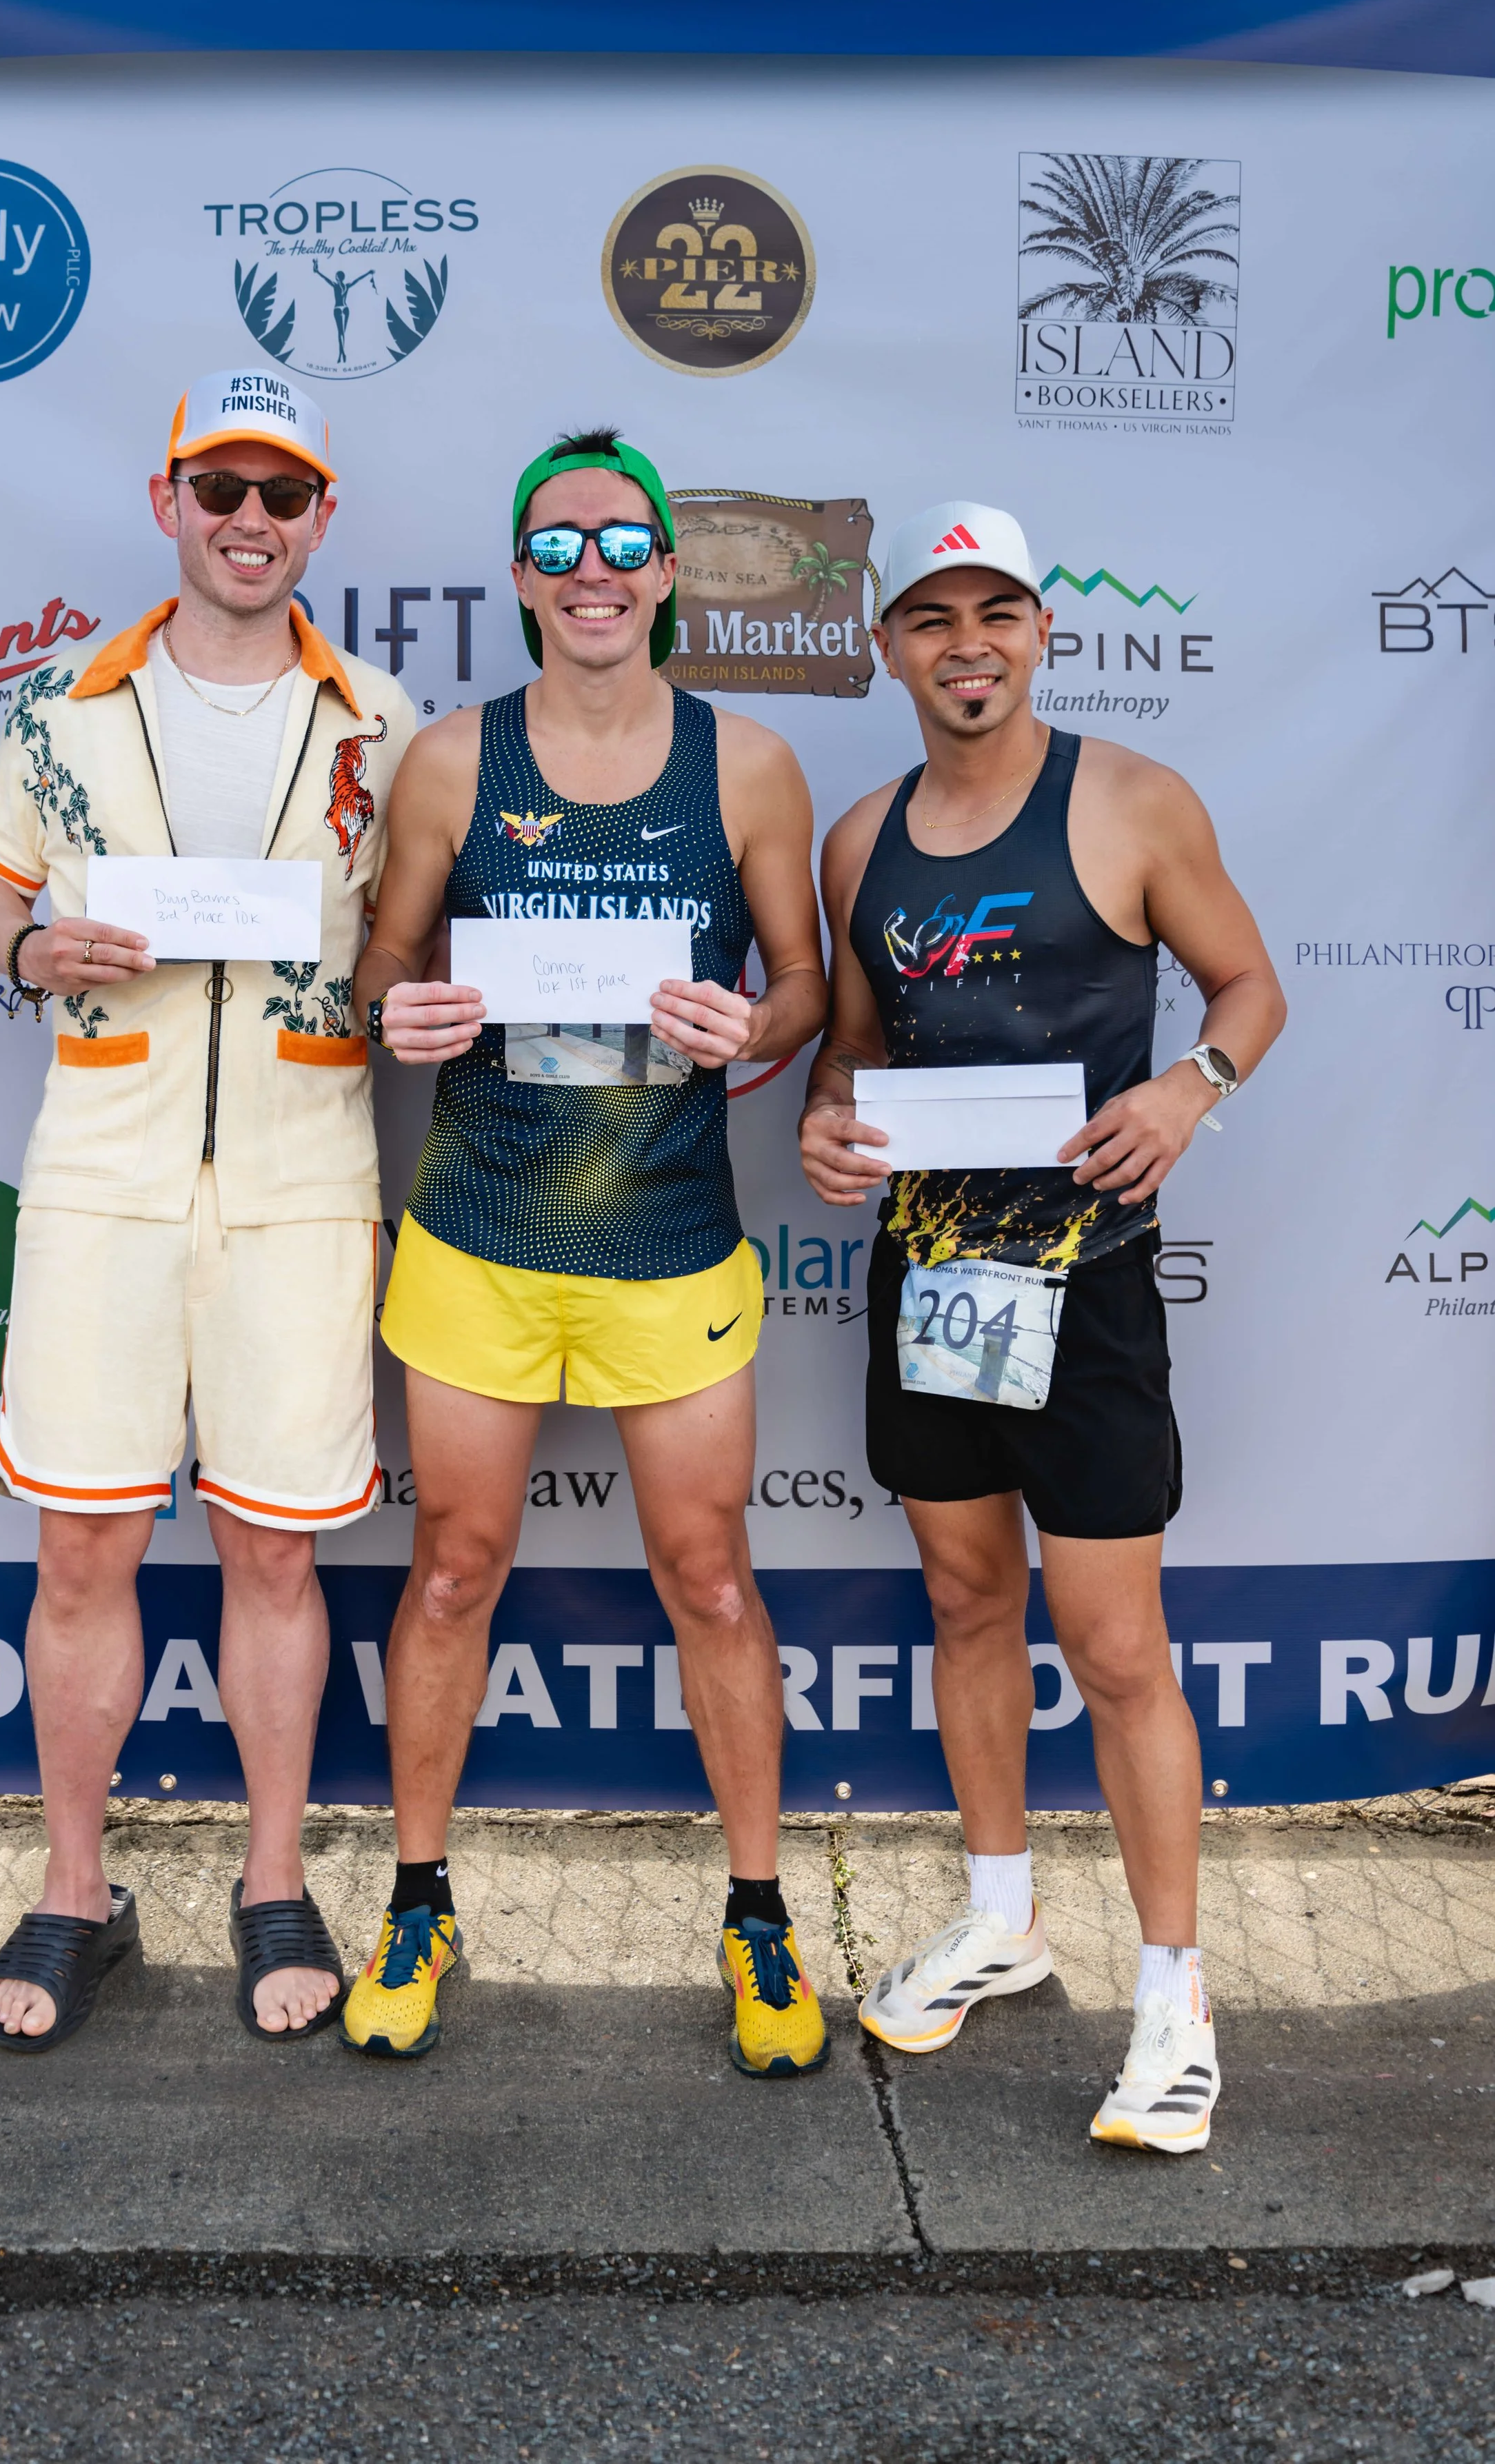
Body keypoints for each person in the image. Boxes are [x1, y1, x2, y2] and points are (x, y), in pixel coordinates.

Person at [800, 500, 1285, 2152]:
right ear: (888, 649)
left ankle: (1173, 1995)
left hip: (1083, 1293)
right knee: (962, 1598)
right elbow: (851, 1049)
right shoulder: (858, 841)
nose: (967, 645)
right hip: (931, 1283)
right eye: (932, 619)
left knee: (1117, 1648)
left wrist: (1186, 1085)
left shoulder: (1133, 802)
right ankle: (1001, 1914)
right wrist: (823, 1122)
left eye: (995, 611)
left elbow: (1250, 989)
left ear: (1040, 630)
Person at [348, 430, 832, 2075]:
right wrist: (394, 1011)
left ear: (667, 569)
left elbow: (807, 989)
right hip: (478, 1232)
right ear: (519, 577)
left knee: (709, 1579)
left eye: (622, 541)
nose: (593, 572)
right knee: (453, 1572)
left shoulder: (748, 765)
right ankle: (419, 1897)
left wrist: (746, 1025)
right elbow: (383, 967)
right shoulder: (449, 763)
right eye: (557, 548)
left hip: (669, 1246)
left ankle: (759, 1916)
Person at [0, 367, 415, 2053]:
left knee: (271, 1547)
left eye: (280, 494)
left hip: (302, 1170)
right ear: (166, 504)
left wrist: (405, 991)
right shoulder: (63, 702)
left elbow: (410, 933)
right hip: (104, 1164)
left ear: (318, 518)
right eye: (216, 488)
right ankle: (77, 1887)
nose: (247, 520)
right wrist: (23, 951)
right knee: (83, 1542)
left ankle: (270, 1881)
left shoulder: (382, 714)